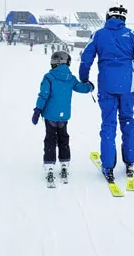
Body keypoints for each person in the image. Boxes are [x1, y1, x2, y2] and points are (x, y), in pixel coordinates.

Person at [79, 2, 134, 182]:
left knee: (108, 124)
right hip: (128, 87)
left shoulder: (99, 35)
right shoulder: (132, 36)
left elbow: (86, 59)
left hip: (106, 87)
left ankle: (108, 166)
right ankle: (130, 162)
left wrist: (84, 78)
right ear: (123, 18)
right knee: (127, 121)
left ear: (108, 17)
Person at [31, 51, 95, 185]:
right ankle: (64, 164)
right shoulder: (70, 78)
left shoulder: (48, 77)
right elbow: (81, 88)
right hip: (63, 116)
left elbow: (43, 95)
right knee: (63, 139)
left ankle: (49, 166)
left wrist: (38, 110)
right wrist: (90, 86)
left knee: (50, 139)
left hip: (50, 116)